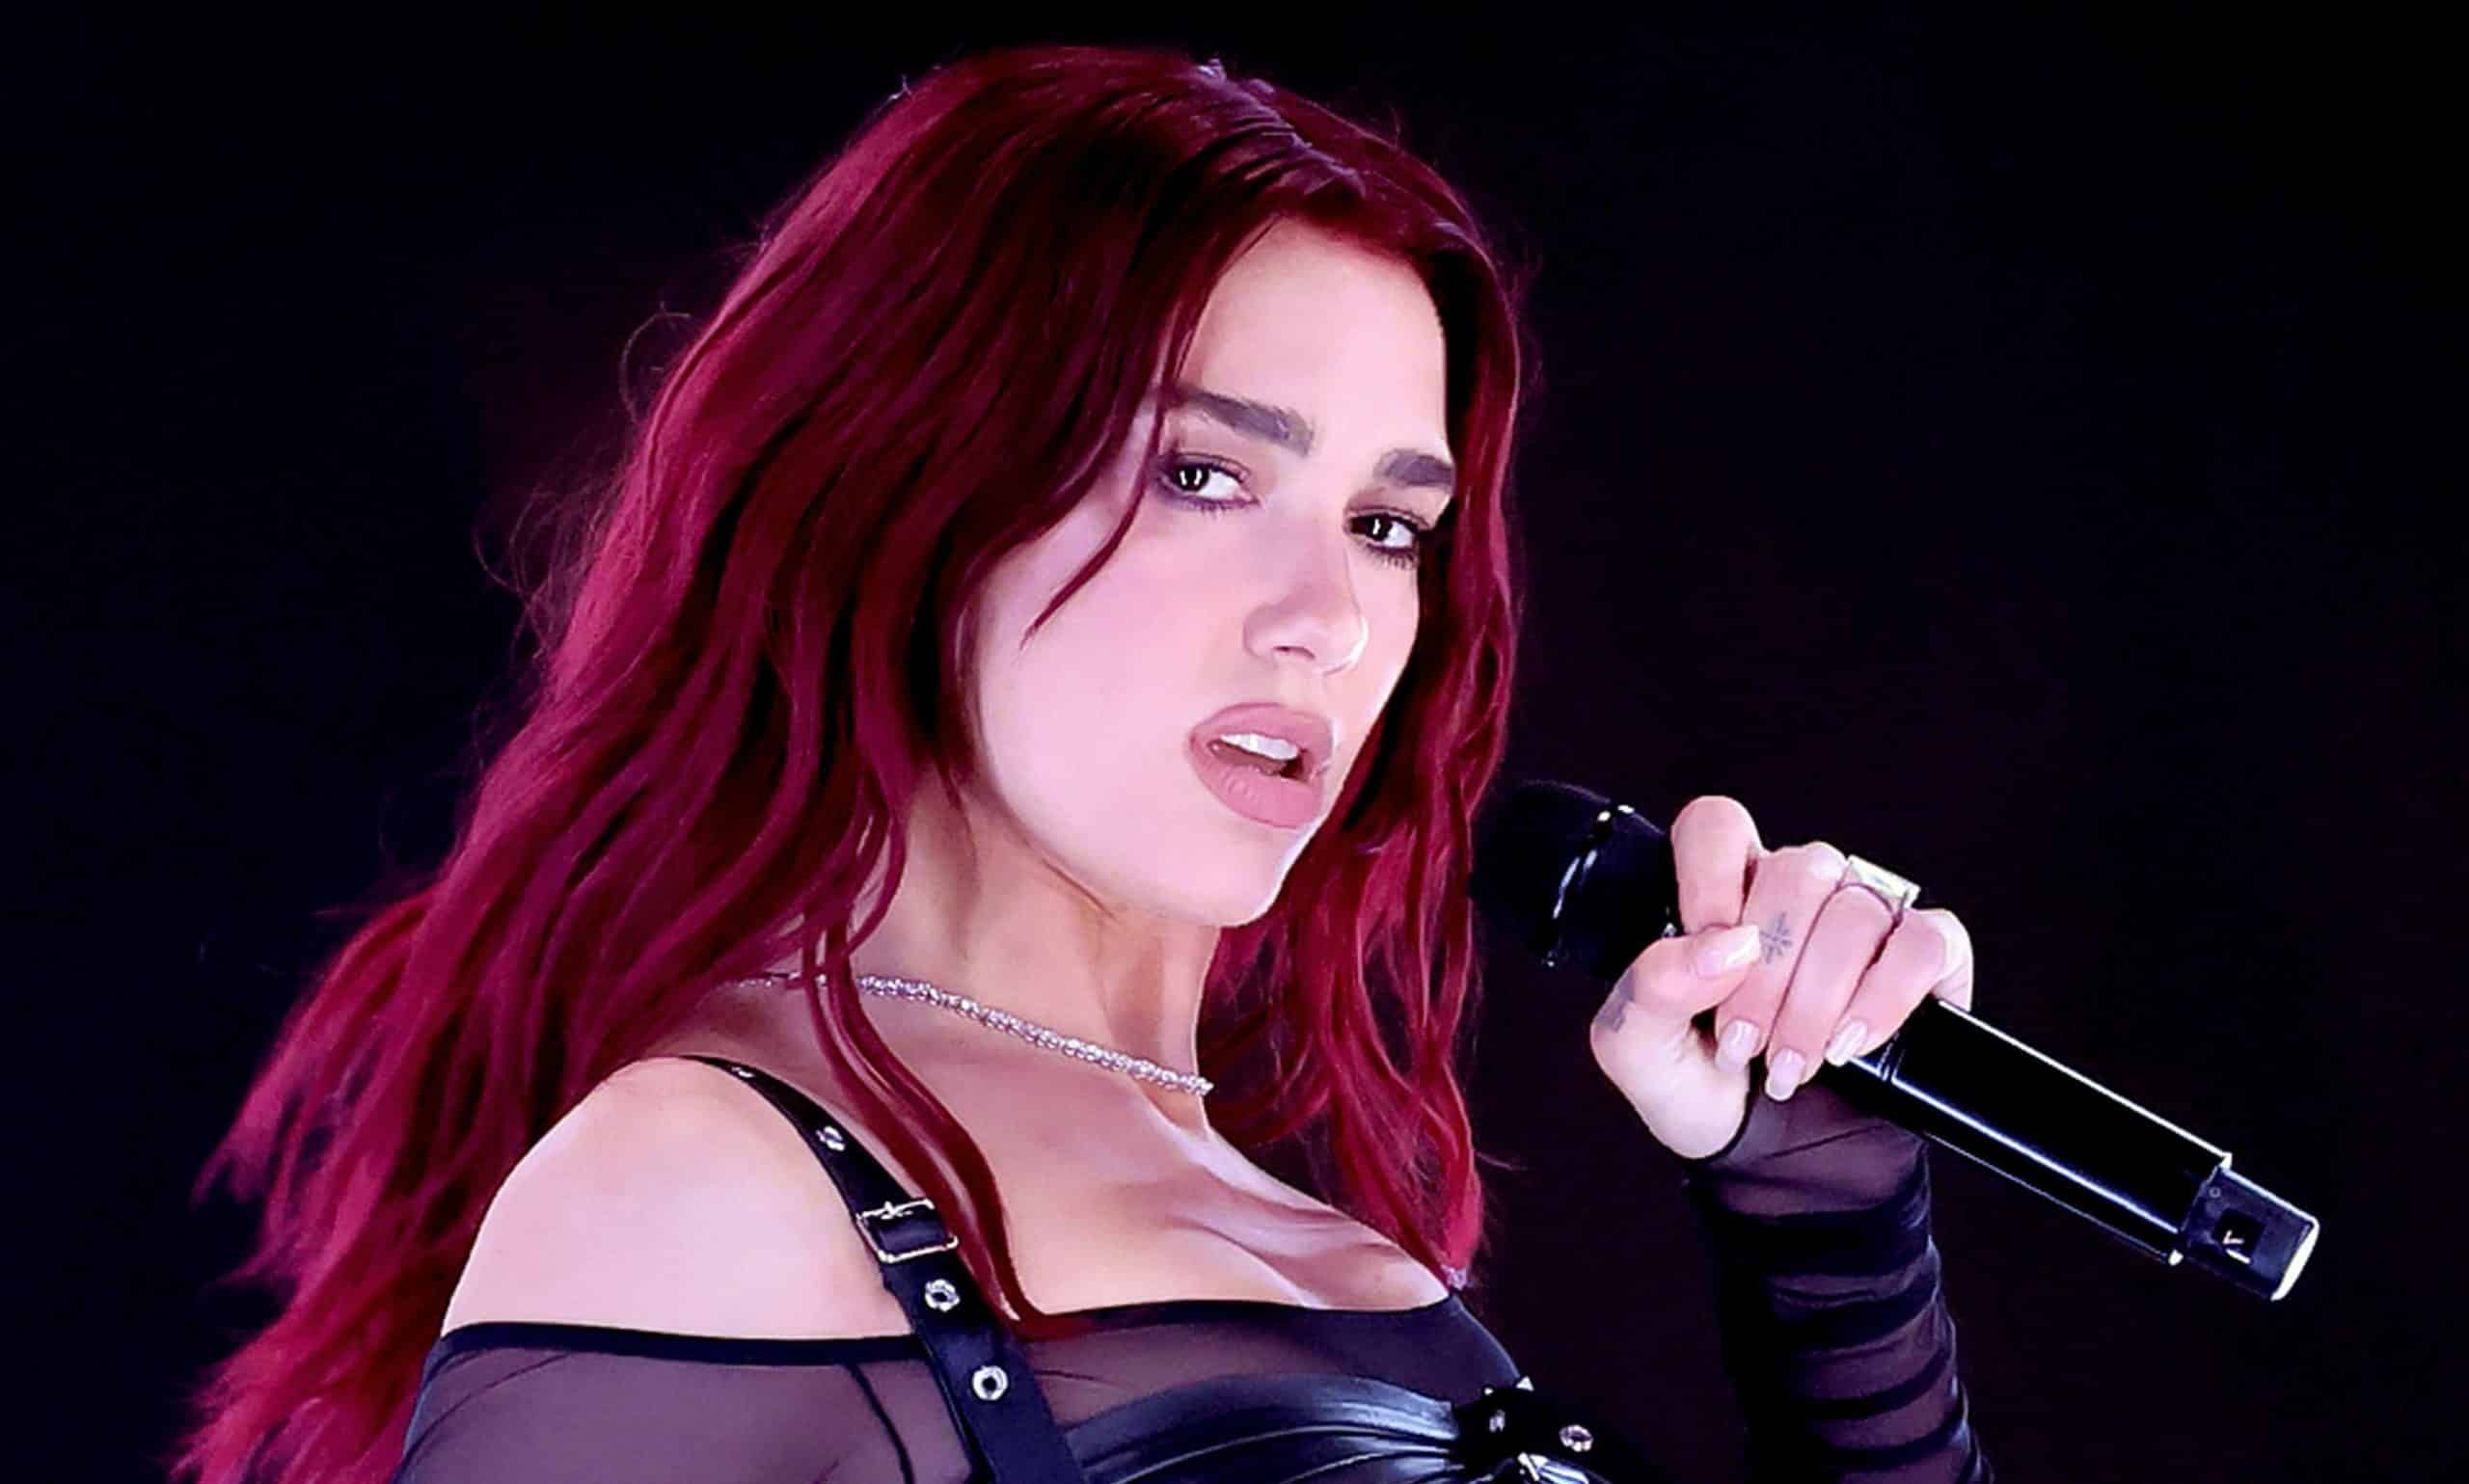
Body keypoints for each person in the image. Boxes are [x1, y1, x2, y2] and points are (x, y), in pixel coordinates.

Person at [172, 42, 1992, 1484]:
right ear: (917, 492)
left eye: (1386, 526)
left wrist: (1827, 1214)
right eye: (1204, 475)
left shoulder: (1325, 1235)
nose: (1326, 621)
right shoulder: (709, 1183)